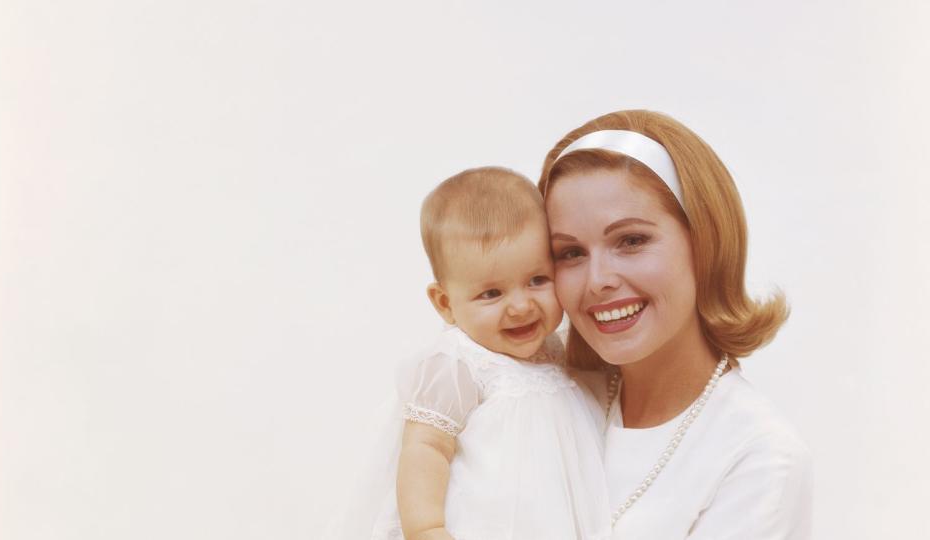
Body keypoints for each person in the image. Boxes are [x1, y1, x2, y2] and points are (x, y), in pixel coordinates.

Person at [538, 110, 813, 539]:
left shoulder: (757, 456)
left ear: (705, 241)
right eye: (570, 252)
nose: (598, 281)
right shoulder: (545, 395)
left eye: (631, 241)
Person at [330, 167, 612, 540]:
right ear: (445, 303)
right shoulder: (460, 363)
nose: (521, 306)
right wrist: (427, 527)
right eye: (492, 294)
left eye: (537, 280)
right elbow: (426, 448)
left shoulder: (555, 347)